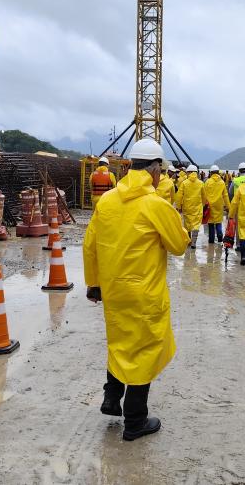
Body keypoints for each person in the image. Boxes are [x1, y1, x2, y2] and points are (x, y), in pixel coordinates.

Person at [82, 138, 189, 441]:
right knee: (144, 349)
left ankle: (111, 397)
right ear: (155, 169)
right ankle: (135, 421)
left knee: (120, 342)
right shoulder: (156, 204)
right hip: (144, 292)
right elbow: (180, 246)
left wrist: (94, 283)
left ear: (130, 166)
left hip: (114, 289)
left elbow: (91, 246)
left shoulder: (108, 201)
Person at [174, 164, 208, 248]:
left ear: (188, 172)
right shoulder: (201, 183)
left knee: (187, 225)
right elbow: (204, 196)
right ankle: (194, 243)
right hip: (198, 207)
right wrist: (203, 205)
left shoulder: (184, 183)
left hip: (187, 207)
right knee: (196, 225)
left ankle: (188, 241)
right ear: (196, 172)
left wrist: (178, 206)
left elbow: (179, 196)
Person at [203, 165, 230, 244]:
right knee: (218, 222)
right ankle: (220, 238)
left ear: (211, 173)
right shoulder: (222, 182)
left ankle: (211, 241)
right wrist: (229, 207)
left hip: (209, 205)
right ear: (218, 172)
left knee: (211, 223)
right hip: (219, 205)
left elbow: (204, 194)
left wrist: (203, 205)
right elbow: (225, 195)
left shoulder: (208, 181)